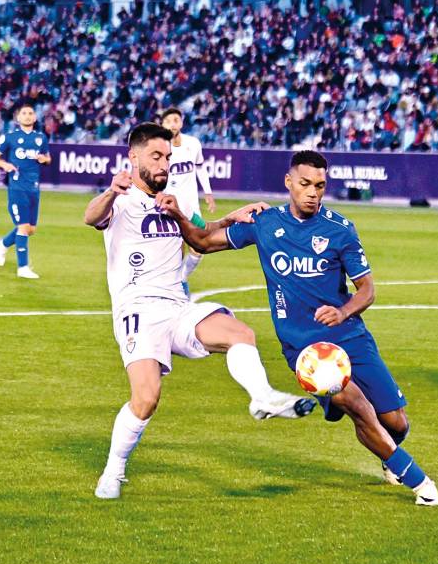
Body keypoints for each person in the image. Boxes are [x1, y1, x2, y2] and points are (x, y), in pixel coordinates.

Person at [158, 150, 438, 506]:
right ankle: (419, 481)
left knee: (396, 424)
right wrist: (179, 214)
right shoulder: (265, 223)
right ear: (289, 182)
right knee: (357, 405)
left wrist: (343, 312)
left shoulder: (340, 229)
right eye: (305, 184)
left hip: (351, 337)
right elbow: (201, 242)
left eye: (320, 186)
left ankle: (382, 448)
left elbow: (367, 289)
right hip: (306, 348)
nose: (313, 192)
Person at [84, 123, 315, 500]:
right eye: (156, 157)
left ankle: (262, 397)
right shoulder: (120, 200)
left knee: (240, 333)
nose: (164, 165)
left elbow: (202, 236)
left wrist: (230, 218)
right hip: (138, 311)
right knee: (146, 398)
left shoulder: (175, 198)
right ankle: (113, 470)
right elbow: (91, 218)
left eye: (168, 158)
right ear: (134, 157)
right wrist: (111, 190)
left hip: (176, 305)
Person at [160, 107, 216, 295]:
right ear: (162, 125)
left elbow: (200, 168)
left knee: (200, 246)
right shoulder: (160, 148)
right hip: (168, 208)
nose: (172, 124)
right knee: (176, 248)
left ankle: (181, 279)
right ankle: (174, 286)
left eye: (175, 120)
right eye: (168, 121)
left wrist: (208, 193)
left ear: (182, 123)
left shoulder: (193, 144)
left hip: (191, 207)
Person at [0, 104, 51, 279]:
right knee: (23, 227)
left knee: (30, 229)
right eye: (23, 113)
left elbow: (48, 159)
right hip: (17, 187)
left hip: (34, 188)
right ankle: (23, 267)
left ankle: (3, 243)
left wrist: (43, 159)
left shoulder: (41, 138)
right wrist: (5, 164)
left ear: (34, 117)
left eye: (30, 113)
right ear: (18, 118)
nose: (27, 116)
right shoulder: (9, 137)